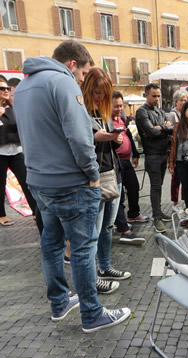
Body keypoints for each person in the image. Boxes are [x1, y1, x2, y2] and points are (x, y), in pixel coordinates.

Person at [14, 40, 130, 333]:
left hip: (40, 181)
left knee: (51, 245)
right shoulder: (63, 83)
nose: (82, 79)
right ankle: (92, 314)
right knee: (82, 249)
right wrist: (92, 174)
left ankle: (60, 303)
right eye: (83, 73)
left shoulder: (24, 86)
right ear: (73, 64)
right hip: (71, 183)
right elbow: (79, 138)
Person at [81, 68, 132, 293]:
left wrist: (116, 137)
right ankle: (94, 277)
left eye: (105, 93)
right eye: (97, 92)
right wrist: (108, 136)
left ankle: (104, 267)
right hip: (95, 178)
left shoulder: (103, 113)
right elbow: (88, 140)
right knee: (93, 231)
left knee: (107, 227)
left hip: (113, 174)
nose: (101, 97)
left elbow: (109, 142)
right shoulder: (81, 111)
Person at [111, 91, 146, 245]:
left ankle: (132, 215)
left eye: (121, 105)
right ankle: (122, 226)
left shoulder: (122, 119)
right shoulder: (106, 121)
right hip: (114, 163)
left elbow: (129, 137)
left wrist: (135, 153)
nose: (119, 108)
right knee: (118, 196)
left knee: (133, 187)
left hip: (126, 161)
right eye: (116, 106)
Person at [136, 83, 172, 233]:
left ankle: (158, 213)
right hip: (152, 155)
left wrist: (162, 128)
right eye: (154, 96)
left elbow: (172, 128)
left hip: (163, 153)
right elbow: (152, 132)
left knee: (159, 186)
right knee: (155, 187)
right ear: (146, 95)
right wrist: (164, 128)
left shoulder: (160, 111)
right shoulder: (141, 112)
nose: (157, 98)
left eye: (158, 96)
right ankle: (156, 217)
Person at [0, 79, 37, 226]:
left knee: (27, 181)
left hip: (16, 151)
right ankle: (1, 215)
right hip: (0, 153)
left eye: (7, 88)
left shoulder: (13, 108)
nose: (6, 90)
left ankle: (36, 211)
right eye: (2, 88)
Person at [168, 89, 188, 212]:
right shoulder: (172, 114)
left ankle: (185, 200)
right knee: (176, 178)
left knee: (185, 178)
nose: (183, 102)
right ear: (176, 102)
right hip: (176, 151)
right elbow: (170, 131)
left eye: (185, 100)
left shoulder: (187, 113)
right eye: (181, 100)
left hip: (186, 150)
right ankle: (175, 202)